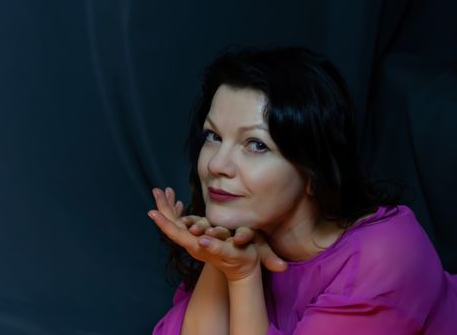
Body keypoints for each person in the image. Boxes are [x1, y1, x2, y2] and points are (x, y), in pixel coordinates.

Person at [147, 47, 457, 334]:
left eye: (256, 144)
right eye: (213, 135)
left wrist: (242, 276)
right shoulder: (249, 230)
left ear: (313, 172)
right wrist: (221, 260)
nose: (217, 164)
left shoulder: (385, 256)